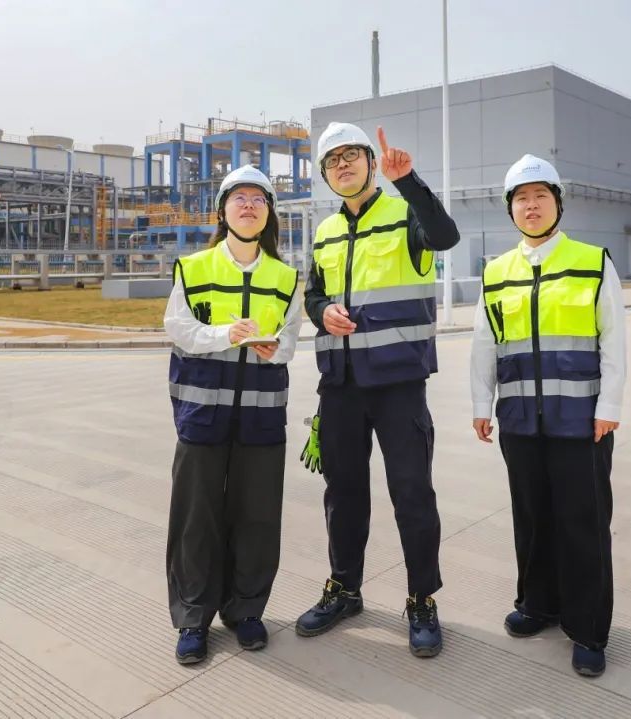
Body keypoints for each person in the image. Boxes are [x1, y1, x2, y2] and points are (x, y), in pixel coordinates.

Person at [295, 122, 460, 657]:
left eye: (351, 155)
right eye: (332, 160)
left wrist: (408, 181)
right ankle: (345, 589)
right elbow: (312, 295)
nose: (342, 165)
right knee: (343, 494)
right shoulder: (324, 232)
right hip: (340, 384)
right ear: (326, 175)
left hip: (398, 384)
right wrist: (323, 312)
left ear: (371, 161)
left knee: (412, 493)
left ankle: (421, 599)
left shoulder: (404, 213)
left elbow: (445, 236)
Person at [470, 154, 626, 677]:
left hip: (581, 421)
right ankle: (538, 604)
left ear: (558, 203)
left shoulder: (592, 261)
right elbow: (484, 344)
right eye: (521, 198)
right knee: (532, 518)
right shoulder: (496, 272)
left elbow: (614, 341)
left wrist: (610, 406)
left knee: (583, 524)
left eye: (540, 196)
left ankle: (588, 629)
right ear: (510, 209)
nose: (531, 206)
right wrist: (481, 404)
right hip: (519, 421)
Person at [163, 165, 302, 664]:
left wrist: (274, 349)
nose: (248, 206)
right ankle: (192, 617)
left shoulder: (285, 277)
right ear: (222, 212)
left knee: (257, 517)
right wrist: (226, 334)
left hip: (261, 418)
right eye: (238, 198)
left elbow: (290, 339)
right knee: (195, 519)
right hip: (202, 414)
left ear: (268, 214)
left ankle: (246, 611)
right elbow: (177, 327)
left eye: (258, 199)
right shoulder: (195, 267)